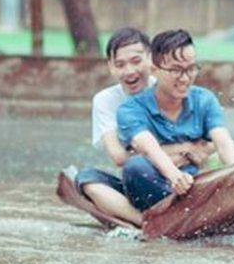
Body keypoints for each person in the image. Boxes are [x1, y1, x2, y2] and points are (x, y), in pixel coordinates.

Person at [56, 27, 214, 229]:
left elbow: (207, 144)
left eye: (136, 61)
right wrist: (184, 151)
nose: (129, 71)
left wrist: (187, 156)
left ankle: (179, 215)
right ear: (111, 67)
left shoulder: (169, 85)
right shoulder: (105, 100)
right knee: (87, 178)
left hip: (185, 179)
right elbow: (119, 157)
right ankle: (146, 222)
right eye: (120, 64)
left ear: (152, 60)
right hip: (139, 182)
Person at [116, 30, 234, 213]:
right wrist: (175, 176)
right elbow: (148, 147)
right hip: (162, 186)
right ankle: (191, 210)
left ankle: (225, 204)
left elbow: (223, 142)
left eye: (191, 69)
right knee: (134, 167)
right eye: (176, 70)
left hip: (201, 181)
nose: (185, 78)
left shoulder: (204, 99)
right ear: (154, 70)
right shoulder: (130, 109)